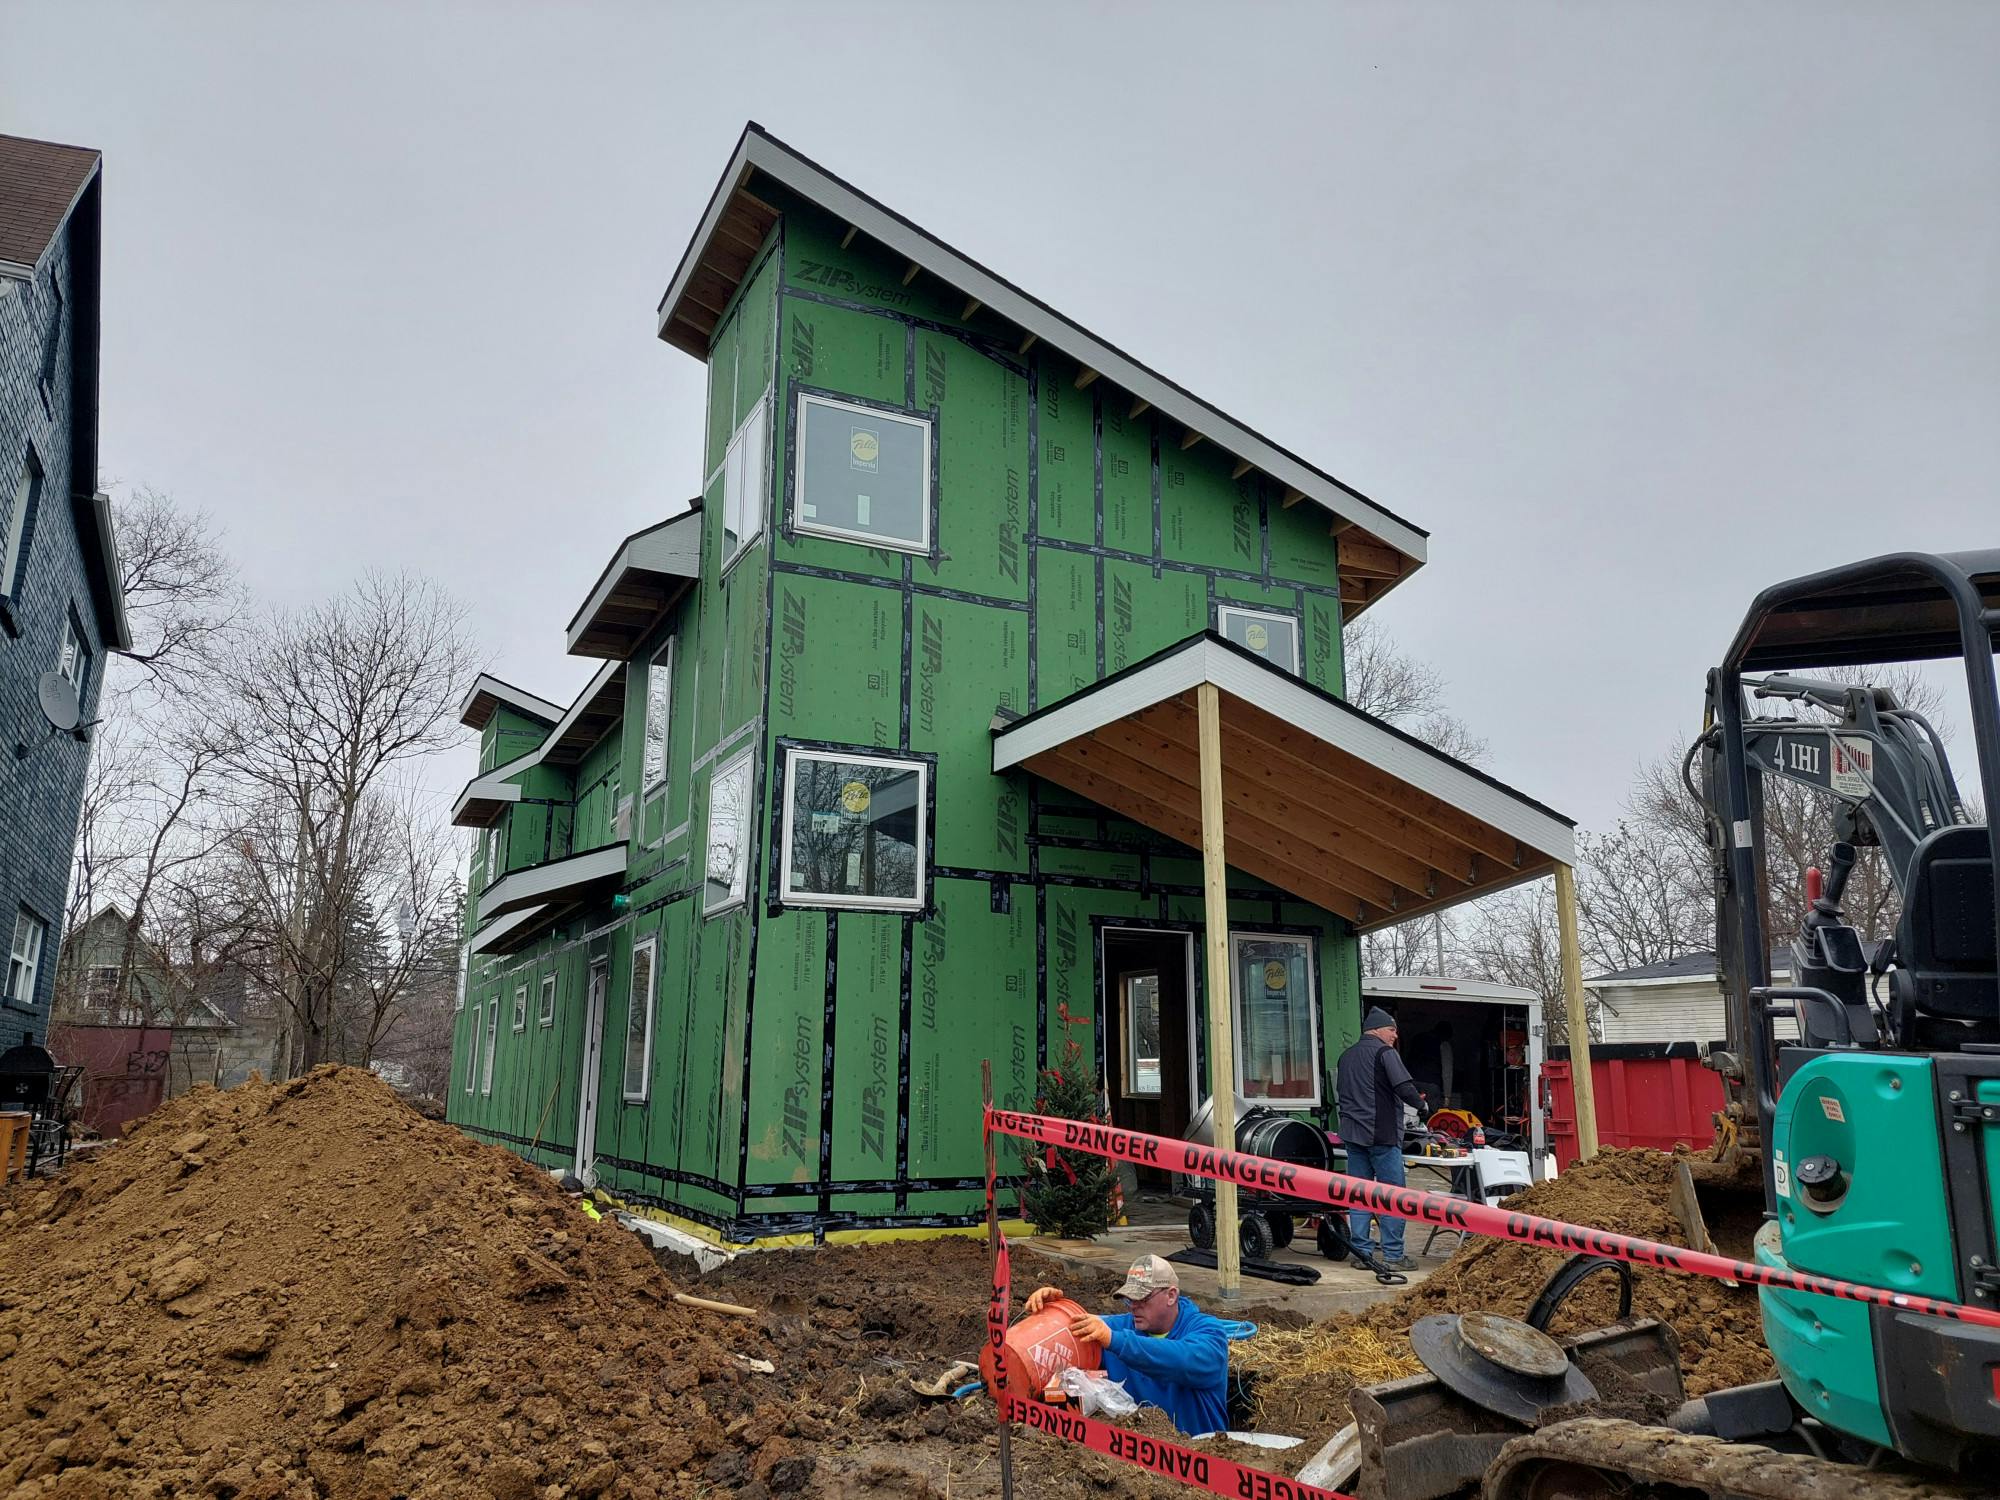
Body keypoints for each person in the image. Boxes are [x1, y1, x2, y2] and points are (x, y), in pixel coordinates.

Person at [1023, 1254, 1228, 1436]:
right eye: (1129, 1299)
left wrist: (1115, 1340)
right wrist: (1052, 1311)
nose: (1134, 1307)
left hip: (1201, 1457)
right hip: (1140, 1464)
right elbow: (1075, 1328)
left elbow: (1181, 1360)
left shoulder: (1210, 1333)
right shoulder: (1120, 1327)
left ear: (1171, 1295)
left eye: (1142, 1298)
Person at [1335, 1007, 1426, 1271]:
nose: (1395, 1035)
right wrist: (1422, 1108)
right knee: (1392, 1196)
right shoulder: (1385, 1054)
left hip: (1353, 1136)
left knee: (1358, 1196)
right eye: (1392, 1030)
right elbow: (1404, 1088)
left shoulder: (1346, 1056)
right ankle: (1394, 1256)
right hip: (1382, 1136)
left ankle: (1362, 1254)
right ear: (1376, 1029)